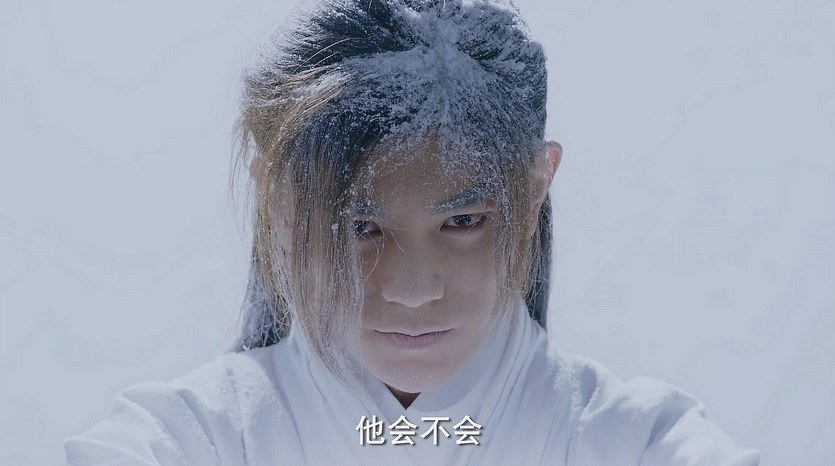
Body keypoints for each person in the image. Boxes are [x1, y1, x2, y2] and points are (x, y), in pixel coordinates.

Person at [65, 0, 761, 464]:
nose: (411, 289)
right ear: (277, 200)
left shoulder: (641, 444)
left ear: (533, 188)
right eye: (360, 227)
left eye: (462, 221)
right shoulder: (184, 439)